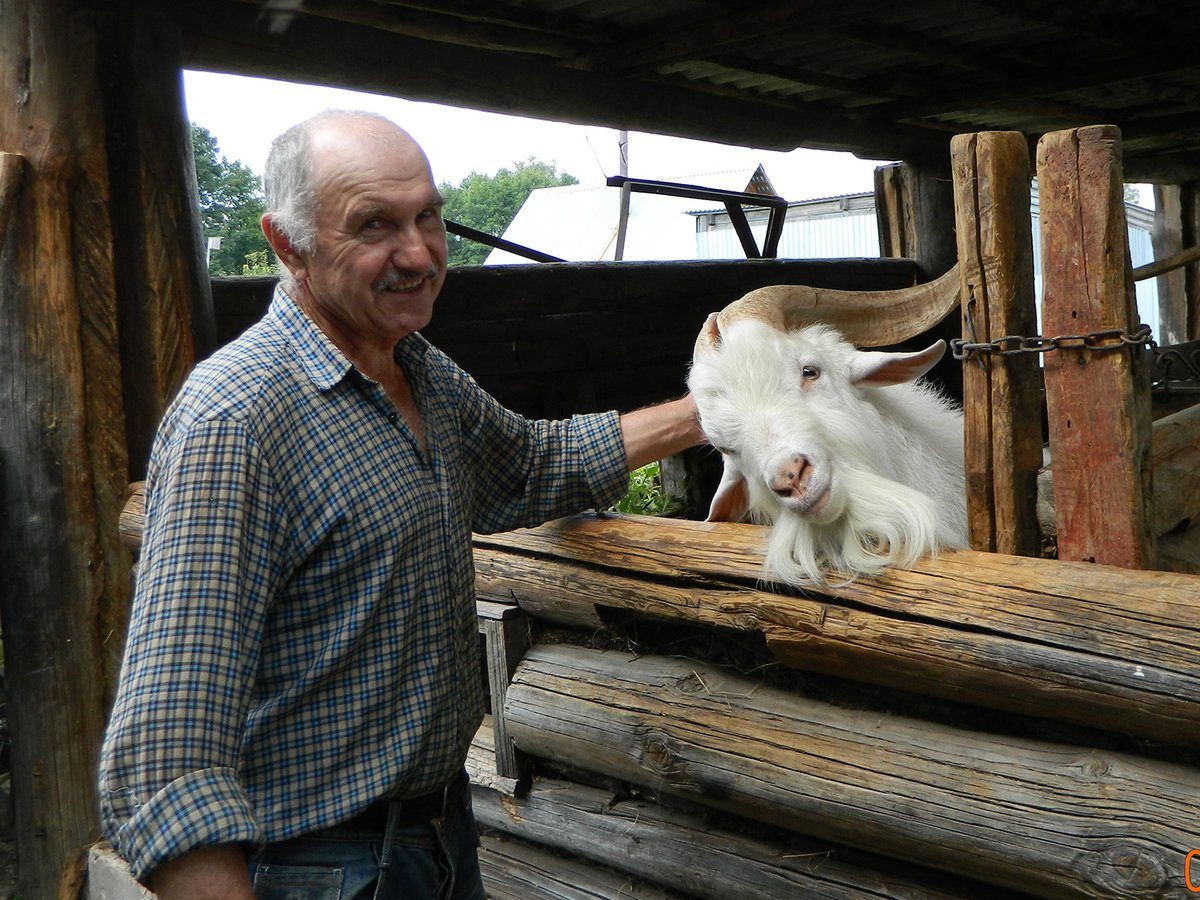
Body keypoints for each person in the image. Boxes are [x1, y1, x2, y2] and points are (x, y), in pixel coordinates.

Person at [97, 109, 704, 900]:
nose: (417, 254)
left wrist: (720, 408)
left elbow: (528, 465)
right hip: (317, 865)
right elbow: (164, 756)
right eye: (374, 225)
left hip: (437, 837)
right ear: (287, 244)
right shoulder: (237, 419)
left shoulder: (415, 369)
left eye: (428, 216)